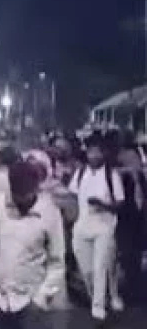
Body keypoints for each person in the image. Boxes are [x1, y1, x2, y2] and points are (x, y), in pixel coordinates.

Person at [0, 161, 67, 328]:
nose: (20, 198)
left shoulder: (50, 213)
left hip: (30, 304)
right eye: (16, 192)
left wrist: (41, 299)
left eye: (25, 193)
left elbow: (57, 261)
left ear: (35, 188)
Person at [69, 135, 126, 320]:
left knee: (100, 265)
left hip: (105, 227)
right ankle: (102, 296)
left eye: (97, 152)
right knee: (87, 270)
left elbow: (120, 203)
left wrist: (103, 205)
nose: (93, 155)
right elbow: (72, 195)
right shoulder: (80, 173)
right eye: (90, 151)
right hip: (82, 226)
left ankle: (98, 307)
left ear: (104, 153)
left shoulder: (112, 175)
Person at [116, 139, 146, 306]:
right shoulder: (120, 177)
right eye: (131, 157)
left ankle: (137, 290)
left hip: (139, 222)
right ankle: (131, 292)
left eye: (136, 157)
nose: (136, 161)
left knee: (135, 257)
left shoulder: (140, 176)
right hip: (126, 222)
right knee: (128, 258)